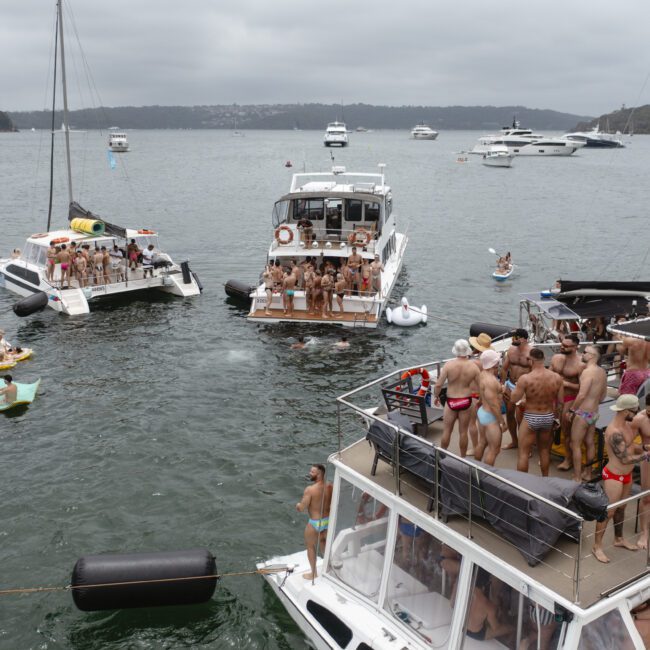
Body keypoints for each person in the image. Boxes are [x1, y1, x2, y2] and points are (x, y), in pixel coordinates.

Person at [593, 394, 645, 563]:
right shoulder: (614, 432)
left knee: (621, 509)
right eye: (634, 409)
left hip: (627, 475)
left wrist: (644, 447)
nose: (637, 411)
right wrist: (646, 455)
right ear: (624, 411)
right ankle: (597, 546)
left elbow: (631, 447)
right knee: (608, 512)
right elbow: (624, 458)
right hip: (614, 476)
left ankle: (618, 539)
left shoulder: (628, 425)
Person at [512, 347, 563, 477]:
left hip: (531, 417)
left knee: (523, 452)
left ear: (530, 360)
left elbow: (514, 399)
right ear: (543, 359)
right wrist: (556, 417)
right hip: (548, 416)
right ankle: (545, 479)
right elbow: (561, 401)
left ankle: (523, 485)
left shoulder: (526, 378)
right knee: (544, 451)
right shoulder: (557, 378)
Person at [433, 340, 480, 457]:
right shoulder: (473, 367)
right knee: (463, 432)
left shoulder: (449, 365)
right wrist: (480, 400)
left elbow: (438, 384)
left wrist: (436, 396)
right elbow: (480, 386)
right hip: (466, 400)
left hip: (451, 401)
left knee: (447, 431)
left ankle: (442, 456)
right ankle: (462, 458)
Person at [569, 345, 608, 482]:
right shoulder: (602, 372)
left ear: (592, 356)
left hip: (583, 413)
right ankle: (588, 473)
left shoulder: (587, 372)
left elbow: (581, 395)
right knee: (590, 442)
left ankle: (578, 477)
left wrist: (571, 410)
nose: (582, 354)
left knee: (575, 444)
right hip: (593, 412)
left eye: (585, 352)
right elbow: (603, 396)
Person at [551, 333, 586, 471]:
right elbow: (548, 374)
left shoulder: (581, 364)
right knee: (549, 426)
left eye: (566, 346)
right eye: (561, 344)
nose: (562, 347)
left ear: (576, 346)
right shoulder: (556, 358)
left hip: (569, 398)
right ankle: (546, 453)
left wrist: (564, 383)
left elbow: (582, 388)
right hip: (554, 397)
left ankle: (568, 459)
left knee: (566, 431)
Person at [296, 464, 333, 580]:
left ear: (319, 474)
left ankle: (313, 573)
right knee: (323, 543)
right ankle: (329, 568)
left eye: (312, 472)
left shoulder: (310, 490)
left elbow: (302, 508)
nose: (309, 474)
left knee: (310, 547)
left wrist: (298, 505)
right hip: (327, 521)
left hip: (315, 523)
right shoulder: (330, 486)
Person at [500, 328, 532, 450]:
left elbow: (535, 373)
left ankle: (526, 446)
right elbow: (504, 368)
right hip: (510, 384)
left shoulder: (531, 352)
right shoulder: (511, 350)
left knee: (521, 419)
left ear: (523, 339)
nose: (513, 340)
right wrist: (502, 384)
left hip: (523, 388)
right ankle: (515, 441)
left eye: (515, 337)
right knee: (509, 413)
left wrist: (526, 395)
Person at [475, 350, 508, 466]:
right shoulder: (491, 381)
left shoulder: (481, 374)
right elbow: (494, 404)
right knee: (494, 450)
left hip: (482, 411)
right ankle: (486, 476)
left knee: (482, 442)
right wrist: (502, 422)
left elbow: (481, 395)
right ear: (494, 363)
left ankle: (476, 468)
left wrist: (500, 390)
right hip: (491, 416)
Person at [635, 395, 650, 549]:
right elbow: (628, 442)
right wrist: (644, 449)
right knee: (647, 498)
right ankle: (644, 533)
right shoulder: (640, 419)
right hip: (648, 459)